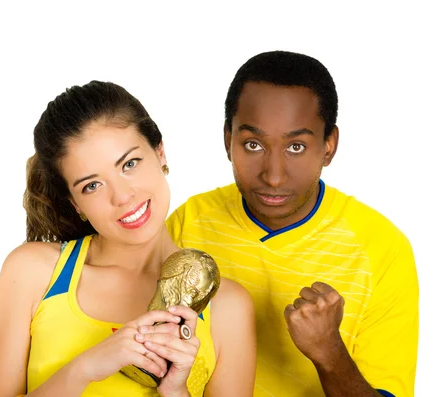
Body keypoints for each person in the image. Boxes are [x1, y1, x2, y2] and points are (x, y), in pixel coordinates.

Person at [0, 81, 256, 397]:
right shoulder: (33, 272)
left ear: (160, 152)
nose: (123, 196)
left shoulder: (227, 307)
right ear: (75, 204)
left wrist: (176, 390)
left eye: (129, 164)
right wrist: (86, 368)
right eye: (92, 186)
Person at [166, 51, 419, 397]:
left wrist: (330, 354)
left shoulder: (383, 250)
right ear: (228, 140)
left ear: (328, 146)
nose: (273, 176)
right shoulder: (188, 222)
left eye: (296, 146)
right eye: (253, 144)